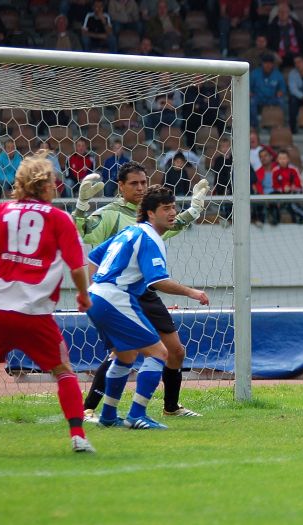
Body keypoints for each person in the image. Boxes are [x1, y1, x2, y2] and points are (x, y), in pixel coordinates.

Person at [0, 151, 95, 453]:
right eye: (54, 183)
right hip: (34, 314)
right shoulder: (59, 218)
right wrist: (83, 295)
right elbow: (77, 267)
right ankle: (78, 435)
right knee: (63, 371)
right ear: (46, 186)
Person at [73, 162, 209, 421]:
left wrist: (195, 209)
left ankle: (170, 407)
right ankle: (92, 408)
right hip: (120, 292)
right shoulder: (111, 214)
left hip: (142, 289)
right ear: (120, 186)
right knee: (126, 352)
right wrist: (82, 205)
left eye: (144, 182)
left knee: (175, 351)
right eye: (134, 183)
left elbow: (172, 223)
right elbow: (83, 233)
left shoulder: (151, 221)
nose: (140, 187)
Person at [268, 150, 303, 225]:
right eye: (280, 158)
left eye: (284, 158)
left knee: (290, 201)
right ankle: (275, 217)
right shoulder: (275, 170)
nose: (282, 160)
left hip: (293, 192)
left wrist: (291, 188)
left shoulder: (294, 169)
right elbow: (274, 185)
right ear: (277, 160)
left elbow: (298, 184)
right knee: (271, 196)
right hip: (281, 192)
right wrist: (283, 189)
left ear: (288, 159)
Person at [249, 54, 287, 129]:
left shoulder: (278, 74)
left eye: (270, 63)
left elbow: (283, 88)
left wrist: (281, 92)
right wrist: (249, 92)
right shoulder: (255, 73)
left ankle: (282, 123)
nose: (268, 65)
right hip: (259, 97)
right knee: (251, 102)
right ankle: (255, 125)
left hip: (273, 98)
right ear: (262, 63)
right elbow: (249, 86)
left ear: (273, 64)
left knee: (282, 101)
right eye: (265, 63)